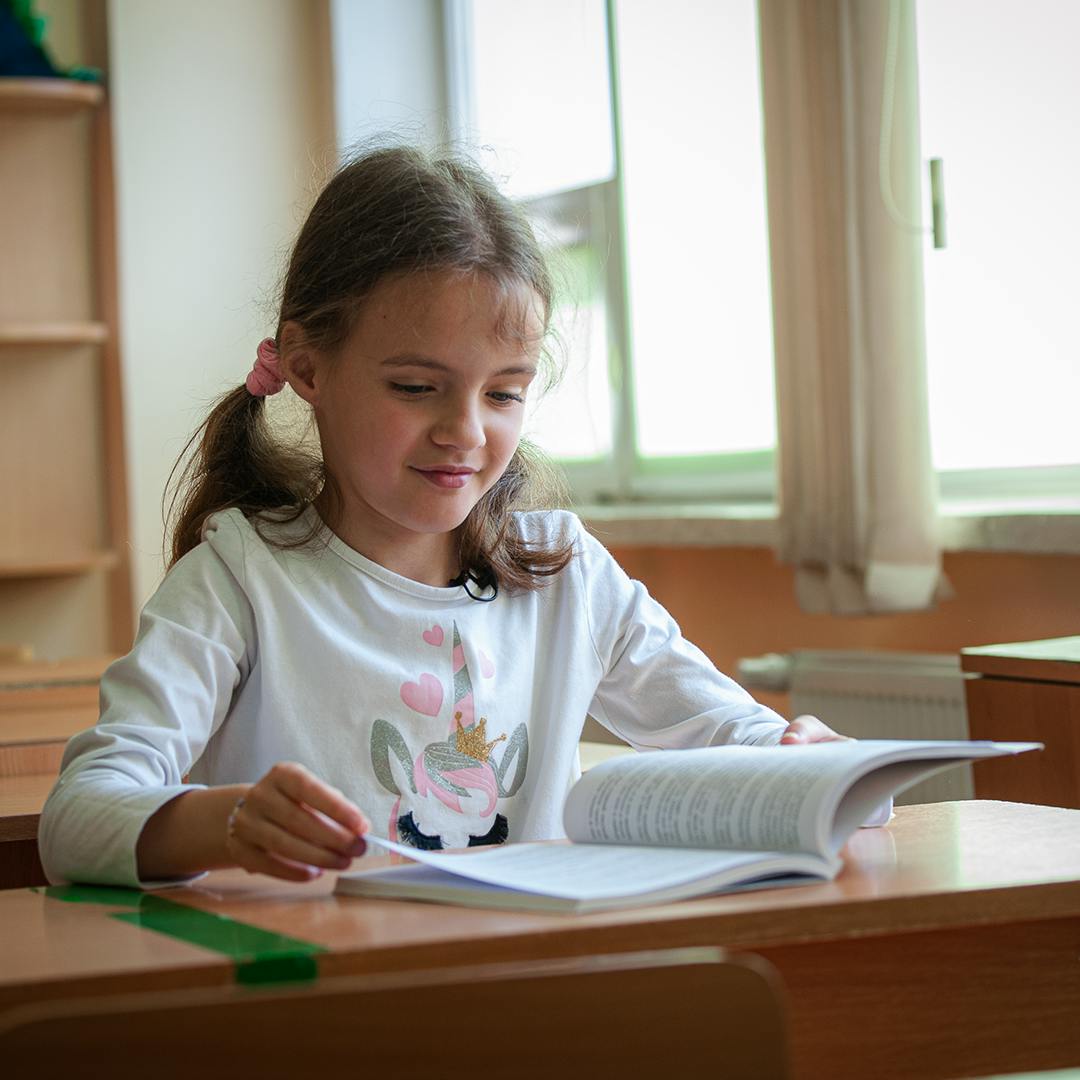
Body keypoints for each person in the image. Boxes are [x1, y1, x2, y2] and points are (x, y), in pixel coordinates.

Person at [38, 144, 849, 889]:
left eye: (503, 393)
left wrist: (807, 759)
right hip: (317, 1005)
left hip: (517, 996)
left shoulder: (565, 571)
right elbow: (78, 817)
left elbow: (738, 738)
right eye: (416, 388)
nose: (465, 430)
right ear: (308, 367)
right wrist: (226, 822)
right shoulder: (238, 580)